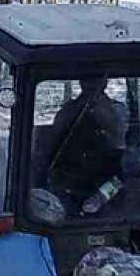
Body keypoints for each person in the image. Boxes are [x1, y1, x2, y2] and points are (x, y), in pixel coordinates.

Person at [41, 77, 130, 215]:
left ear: (105, 83)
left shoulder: (116, 110)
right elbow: (52, 145)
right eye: (89, 80)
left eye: (96, 80)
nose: (92, 85)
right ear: (81, 82)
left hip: (109, 177)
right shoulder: (69, 110)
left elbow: (120, 144)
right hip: (71, 180)